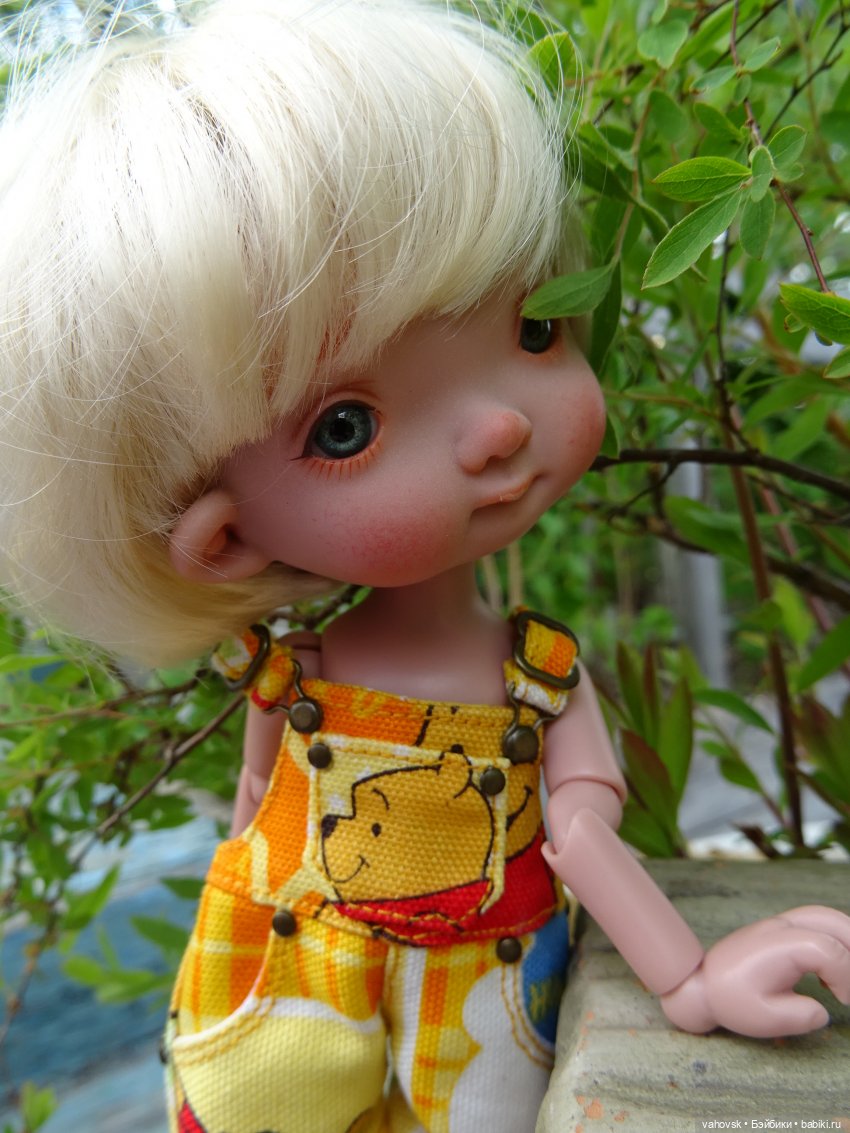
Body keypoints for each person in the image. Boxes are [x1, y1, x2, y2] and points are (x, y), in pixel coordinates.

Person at [0, 2, 847, 1131]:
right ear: (224, 538)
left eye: (532, 328)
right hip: (287, 990)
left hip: (481, 1001)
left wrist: (688, 977)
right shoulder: (290, 676)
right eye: (345, 427)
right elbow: (256, 825)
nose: (498, 426)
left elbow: (580, 836)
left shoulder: (536, 679)